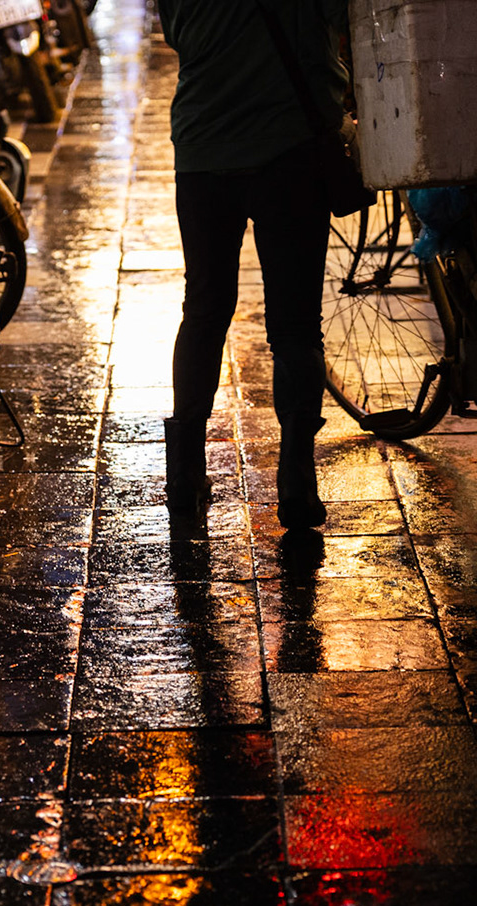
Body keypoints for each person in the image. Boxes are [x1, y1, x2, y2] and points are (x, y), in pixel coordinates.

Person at [155, 0, 347, 530]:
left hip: (202, 151)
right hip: (290, 151)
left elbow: (179, 33)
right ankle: (297, 482)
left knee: (206, 308)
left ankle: (184, 474)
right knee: (295, 325)